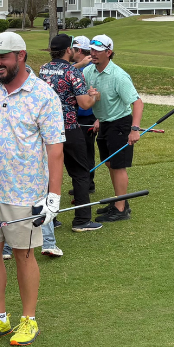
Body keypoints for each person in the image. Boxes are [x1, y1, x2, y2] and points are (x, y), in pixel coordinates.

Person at [0, 32, 65, 347]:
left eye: (3, 57)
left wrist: (53, 197)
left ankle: (29, 320)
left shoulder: (44, 96)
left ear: (21, 55)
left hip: (24, 193)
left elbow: (55, 150)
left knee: (24, 255)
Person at [38, 34, 102, 239]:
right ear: (69, 50)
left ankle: (50, 218)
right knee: (80, 172)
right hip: (69, 128)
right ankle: (82, 220)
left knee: (47, 174)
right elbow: (84, 104)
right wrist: (94, 97)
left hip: (47, 130)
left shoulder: (43, 69)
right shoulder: (73, 73)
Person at [82, 34, 144, 223]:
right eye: (91, 50)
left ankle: (121, 208)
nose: (93, 54)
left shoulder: (118, 75)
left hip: (121, 123)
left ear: (108, 53)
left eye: (97, 51)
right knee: (109, 163)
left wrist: (134, 129)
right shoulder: (89, 71)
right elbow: (98, 98)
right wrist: (99, 118)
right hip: (104, 122)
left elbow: (137, 103)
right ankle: (120, 200)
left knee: (118, 166)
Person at [70, 35, 98, 192]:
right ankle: (81, 183)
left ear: (78, 50)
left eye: (73, 49)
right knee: (76, 153)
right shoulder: (78, 65)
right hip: (76, 117)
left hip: (86, 116)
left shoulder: (87, 68)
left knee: (86, 152)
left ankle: (88, 184)